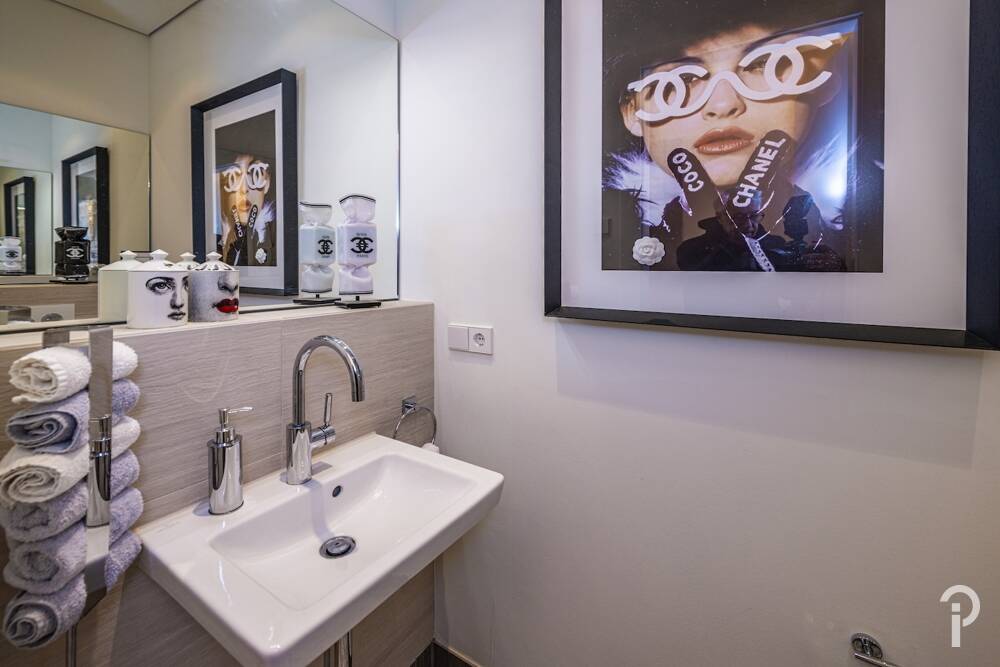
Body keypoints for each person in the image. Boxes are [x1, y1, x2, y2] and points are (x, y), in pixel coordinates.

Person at [603, 0, 874, 272]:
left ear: (827, 76)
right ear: (631, 112)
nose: (723, 104)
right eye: (682, 79)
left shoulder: (867, 227)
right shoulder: (618, 244)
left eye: (764, 63)